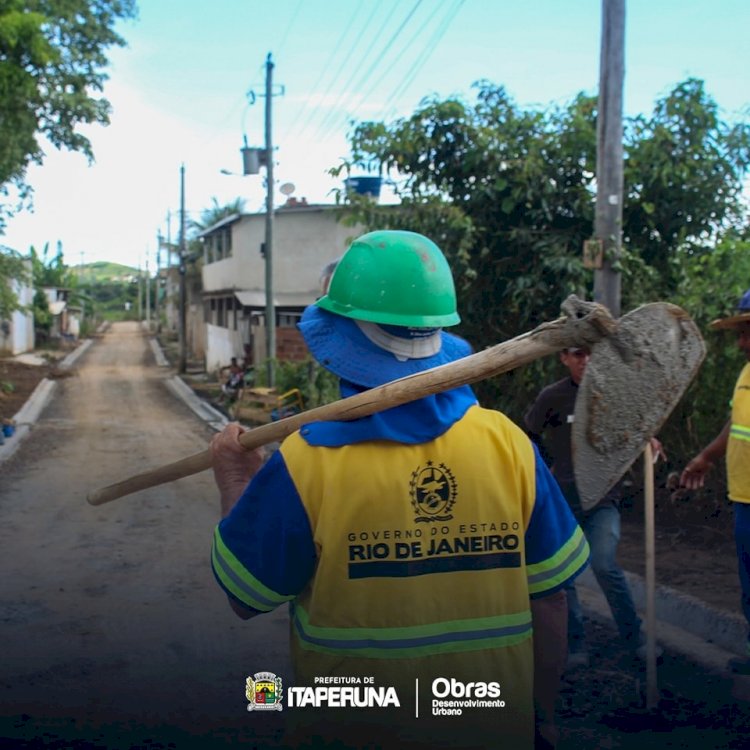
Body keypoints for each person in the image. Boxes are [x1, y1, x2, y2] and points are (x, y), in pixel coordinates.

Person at [209, 230, 590, 749]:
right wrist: (540, 716)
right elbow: (550, 603)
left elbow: (244, 594)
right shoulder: (509, 445)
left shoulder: (308, 461)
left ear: (339, 346)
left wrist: (235, 477)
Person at [525, 346, 664, 669]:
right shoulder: (553, 396)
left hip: (603, 497)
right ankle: (575, 645)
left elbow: (637, 427)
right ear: (563, 357)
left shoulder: (611, 392)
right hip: (564, 498)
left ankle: (635, 638)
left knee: (604, 564)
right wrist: (546, 471)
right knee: (565, 575)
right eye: (576, 354)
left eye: (589, 354)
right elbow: (529, 434)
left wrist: (650, 440)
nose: (583, 360)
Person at [680, 289, 750, 675]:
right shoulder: (746, 374)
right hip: (743, 497)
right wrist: (706, 457)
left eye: (746, 332)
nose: (740, 343)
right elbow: (735, 423)